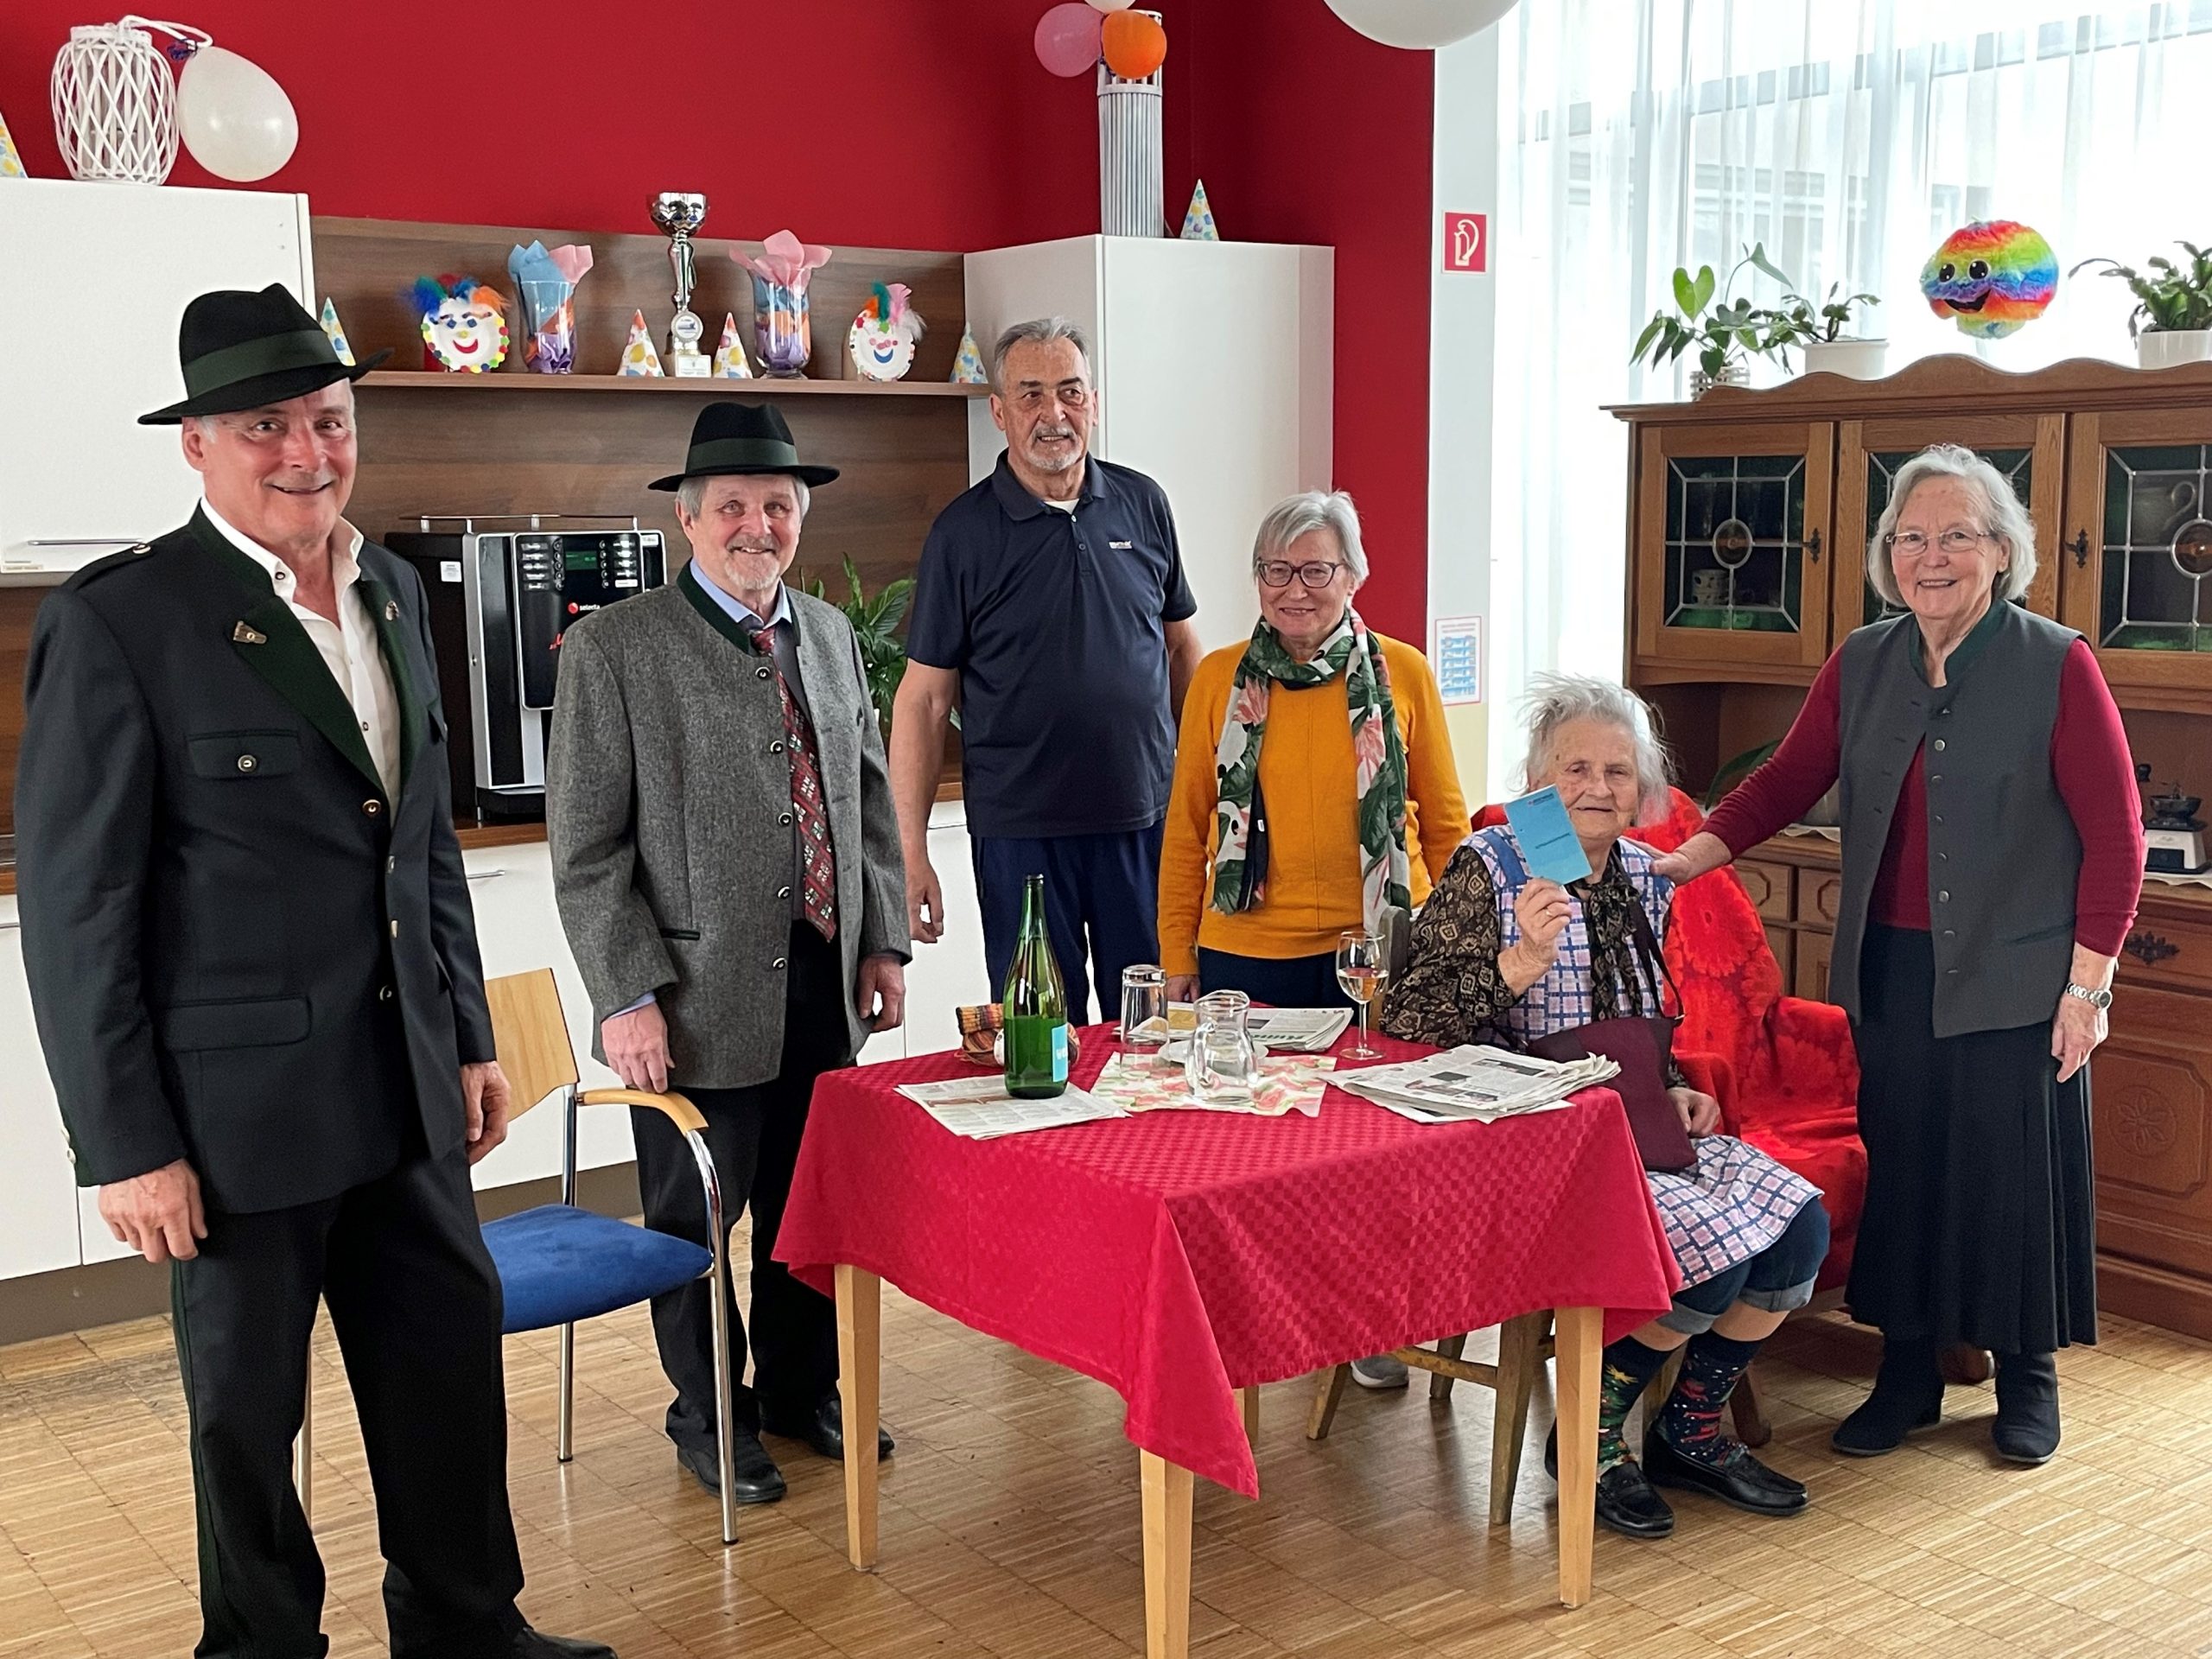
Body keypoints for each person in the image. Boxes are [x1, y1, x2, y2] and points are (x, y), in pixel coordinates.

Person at [13, 285, 611, 1659]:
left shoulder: (390, 589)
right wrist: (126, 1145)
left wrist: (469, 1037)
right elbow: (79, 911)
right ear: (197, 446)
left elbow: (422, 844)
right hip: (235, 1122)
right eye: (265, 426)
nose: (306, 452)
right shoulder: (126, 620)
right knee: (247, 1422)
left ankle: (465, 1626)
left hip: (404, 1088)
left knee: (444, 1372)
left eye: (328, 420)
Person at [1656, 443, 2145, 1467]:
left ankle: (2027, 1378)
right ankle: (1907, 1374)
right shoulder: (1863, 660)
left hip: (2023, 978)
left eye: (1955, 536)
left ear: (2001, 551)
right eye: (1911, 537)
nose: (1931, 557)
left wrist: (2087, 991)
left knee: (2009, 1179)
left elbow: (2117, 837)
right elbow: (1784, 781)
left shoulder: (2056, 663)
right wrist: (1681, 861)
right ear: (1887, 556)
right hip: (1891, 969)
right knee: (1909, 1172)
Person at [547, 402, 909, 1507]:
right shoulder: (614, 648)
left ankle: (801, 1390)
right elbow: (586, 850)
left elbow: (865, 800)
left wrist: (882, 942)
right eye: (736, 507)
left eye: (779, 506)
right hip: (690, 1002)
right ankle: (710, 1416)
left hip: (821, 982)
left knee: (810, 1213)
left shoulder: (829, 635)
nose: (760, 526)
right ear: (689, 521)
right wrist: (625, 996)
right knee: (695, 1223)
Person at [1386, 674, 1829, 1540]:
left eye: (1617, 771)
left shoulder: (1642, 876)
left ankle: (1686, 1432)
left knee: (1797, 1232)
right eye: (1576, 768)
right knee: (1711, 1256)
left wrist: (1675, 1085)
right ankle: (1590, 1440)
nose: (1597, 787)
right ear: (1538, 780)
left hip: (1633, 1122)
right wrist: (1518, 963)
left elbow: (1639, 1015)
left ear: (1643, 789)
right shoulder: (1490, 865)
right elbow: (1408, 1018)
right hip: (1527, 1134)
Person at [890, 316, 1206, 1020]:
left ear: (1094, 402)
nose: (1053, 413)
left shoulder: (1144, 504)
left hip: (1142, 820)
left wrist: (1210, 799)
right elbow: (923, 702)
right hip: (1020, 835)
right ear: (999, 412)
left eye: (1070, 391)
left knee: (1154, 1029)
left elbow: (1182, 650)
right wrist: (911, 853)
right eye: (1030, 394)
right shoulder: (961, 534)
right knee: (1041, 1037)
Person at [1157, 489, 1467, 1007]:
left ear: (1352, 577)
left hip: (1383, 945)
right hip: (1246, 950)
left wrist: (1460, 944)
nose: (1294, 589)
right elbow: (1186, 829)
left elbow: (1445, 824)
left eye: (1316, 571)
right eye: (1276, 570)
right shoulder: (1216, 678)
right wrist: (1177, 955)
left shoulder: (1405, 671)